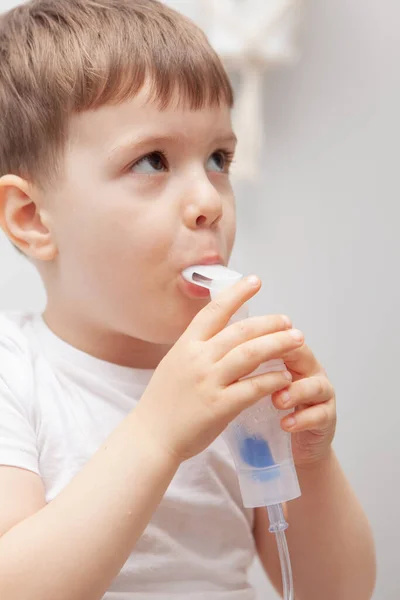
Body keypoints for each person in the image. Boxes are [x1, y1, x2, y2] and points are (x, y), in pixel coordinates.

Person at [0, 1, 376, 599]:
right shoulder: (15, 373)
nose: (209, 199)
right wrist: (157, 433)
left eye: (218, 159)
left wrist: (310, 461)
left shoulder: (234, 381)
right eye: (152, 160)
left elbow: (337, 592)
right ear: (31, 218)